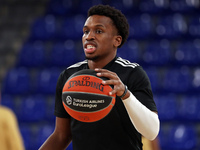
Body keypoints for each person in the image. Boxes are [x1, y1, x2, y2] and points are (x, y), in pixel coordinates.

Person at [39, 4, 160, 150]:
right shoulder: (69, 76)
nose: (89, 36)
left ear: (117, 40)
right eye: (85, 31)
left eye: (98, 31)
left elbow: (152, 132)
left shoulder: (132, 73)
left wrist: (125, 94)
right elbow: (61, 135)